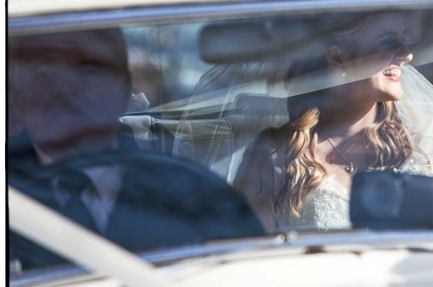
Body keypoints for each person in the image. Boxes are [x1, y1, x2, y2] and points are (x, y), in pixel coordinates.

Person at [8, 28, 262, 270]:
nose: (65, 91)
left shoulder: (205, 202)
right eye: (44, 72)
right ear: (14, 93)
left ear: (124, 87)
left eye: (87, 69)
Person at [234, 12, 433, 233]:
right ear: (338, 57)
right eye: (388, 43)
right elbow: (248, 259)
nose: (406, 54)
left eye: (404, 41)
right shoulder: (274, 155)